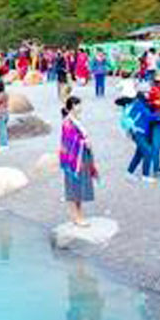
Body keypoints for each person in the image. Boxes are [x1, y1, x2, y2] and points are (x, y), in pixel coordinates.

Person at [59, 97, 97, 227]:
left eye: (80, 105)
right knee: (74, 186)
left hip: (81, 156)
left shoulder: (76, 120)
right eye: (77, 105)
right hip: (73, 159)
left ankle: (79, 213)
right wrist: (83, 142)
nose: (80, 108)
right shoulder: (68, 122)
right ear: (72, 107)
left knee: (79, 186)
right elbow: (69, 141)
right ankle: (75, 216)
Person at [124, 91, 156, 182]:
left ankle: (129, 172)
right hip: (138, 132)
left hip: (138, 132)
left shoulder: (136, 104)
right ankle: (145, 175)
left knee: (139, 154)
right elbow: (149, 116)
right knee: (148, 152)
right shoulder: (140, 105)